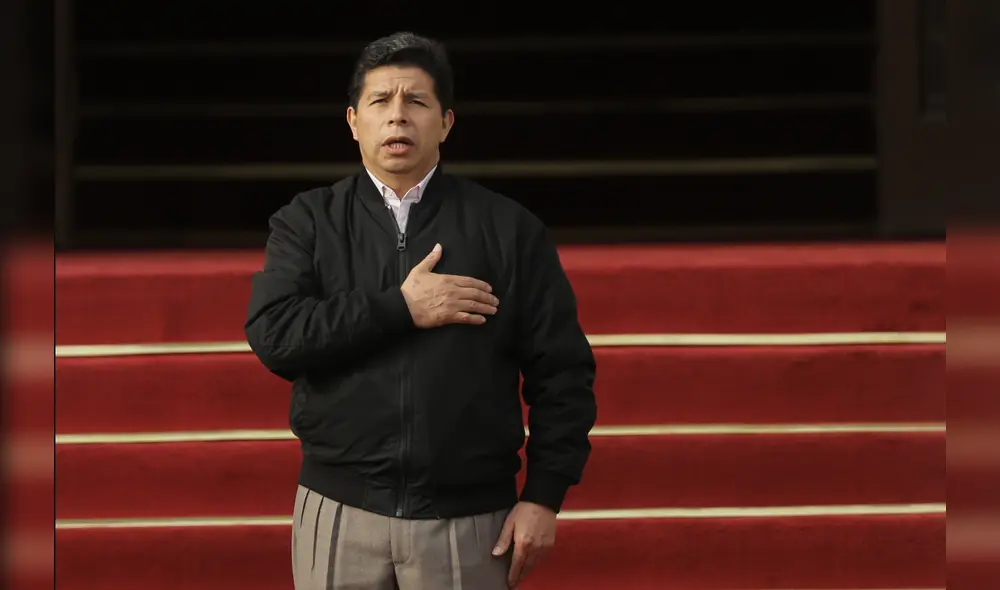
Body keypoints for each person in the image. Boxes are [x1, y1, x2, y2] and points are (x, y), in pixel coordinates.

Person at [245, 31, 597, 590]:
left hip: (469, 518)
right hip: (338, 508)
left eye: (416, 102)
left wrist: (545, 496)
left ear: (446, 122)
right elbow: (276, 336)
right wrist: (399, 307)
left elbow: (564, 372)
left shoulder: (508, 229)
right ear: (353, 121)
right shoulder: (308, 222)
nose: (398, 117)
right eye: (380, 102)